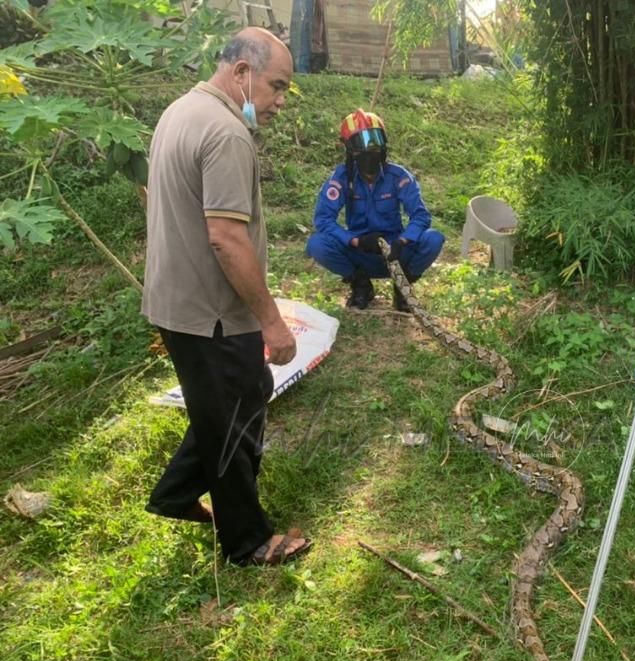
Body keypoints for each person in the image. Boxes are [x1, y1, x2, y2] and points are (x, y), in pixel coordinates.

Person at [141, 28, 312, 566]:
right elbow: (226, 236)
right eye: (277, 86)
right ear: (241, 72)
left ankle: (174, 492)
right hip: (212, 313)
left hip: (176, 302)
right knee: (236, 420)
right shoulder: (228, 133)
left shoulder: (180, 111)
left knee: (233, 401)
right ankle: (247, 540)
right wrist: (271, 321)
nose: (280, 102)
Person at [305, 108, 445, 311]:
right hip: (360, 251)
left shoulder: (399, 176)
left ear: (384, 144)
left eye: (375, 139)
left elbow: (420, 215)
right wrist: (355, 240)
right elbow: (323, 219)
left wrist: (402, 241)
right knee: (317, 244)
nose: (370, 148)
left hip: (396, 252)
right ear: (349, 149)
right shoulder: (342, 178)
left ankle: (402, 288)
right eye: (361, 142)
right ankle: (360, 285)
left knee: (434, 238)